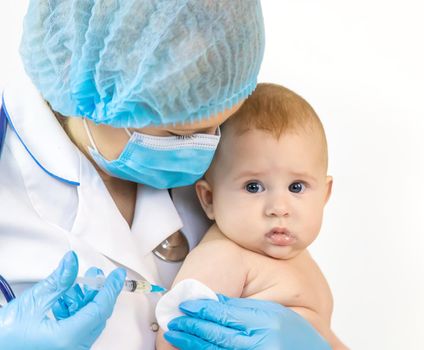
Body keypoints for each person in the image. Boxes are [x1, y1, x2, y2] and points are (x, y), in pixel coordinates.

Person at [0, 1, 336, 349]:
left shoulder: (242, 178)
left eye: (217, 124)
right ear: (92, 82)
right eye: (179, 134)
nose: (205, 148)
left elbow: (292, 304)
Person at [156, 83, 348, 349]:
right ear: (209, 199)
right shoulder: (223, 258)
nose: (279, 208)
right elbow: (172, 340)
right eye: (253, 187)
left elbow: (323, 337)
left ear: (324, 195)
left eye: (296, 187)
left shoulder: (297, 256)